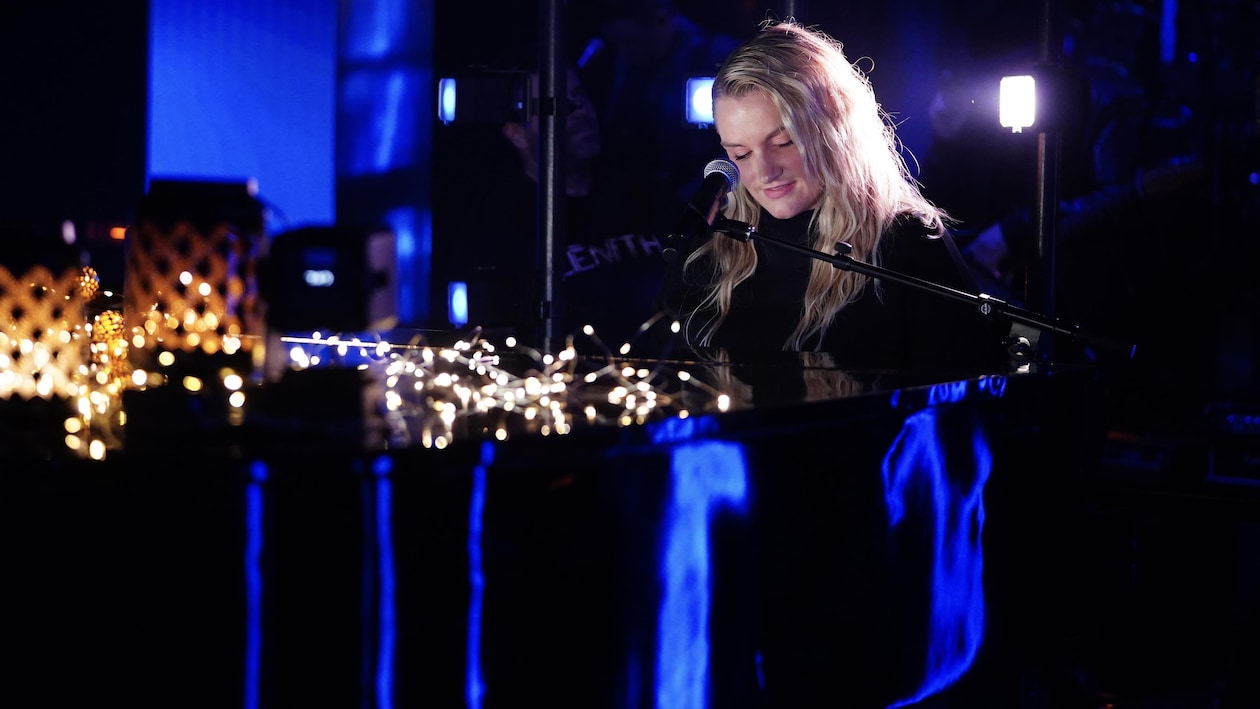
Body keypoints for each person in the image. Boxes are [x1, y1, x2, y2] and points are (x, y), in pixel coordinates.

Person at [656, 19, 1011, 375]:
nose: (764, 173)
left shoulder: (905, 241)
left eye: (783, 142)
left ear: (833, 128)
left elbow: (965, 387)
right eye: (741, 154)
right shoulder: (709, 245)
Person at [432, 60, 667, 348]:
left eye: (580, 97)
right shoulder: (498, 229)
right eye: (561, 105)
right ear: (515, 132)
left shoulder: (643, 196)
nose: (581, 112)